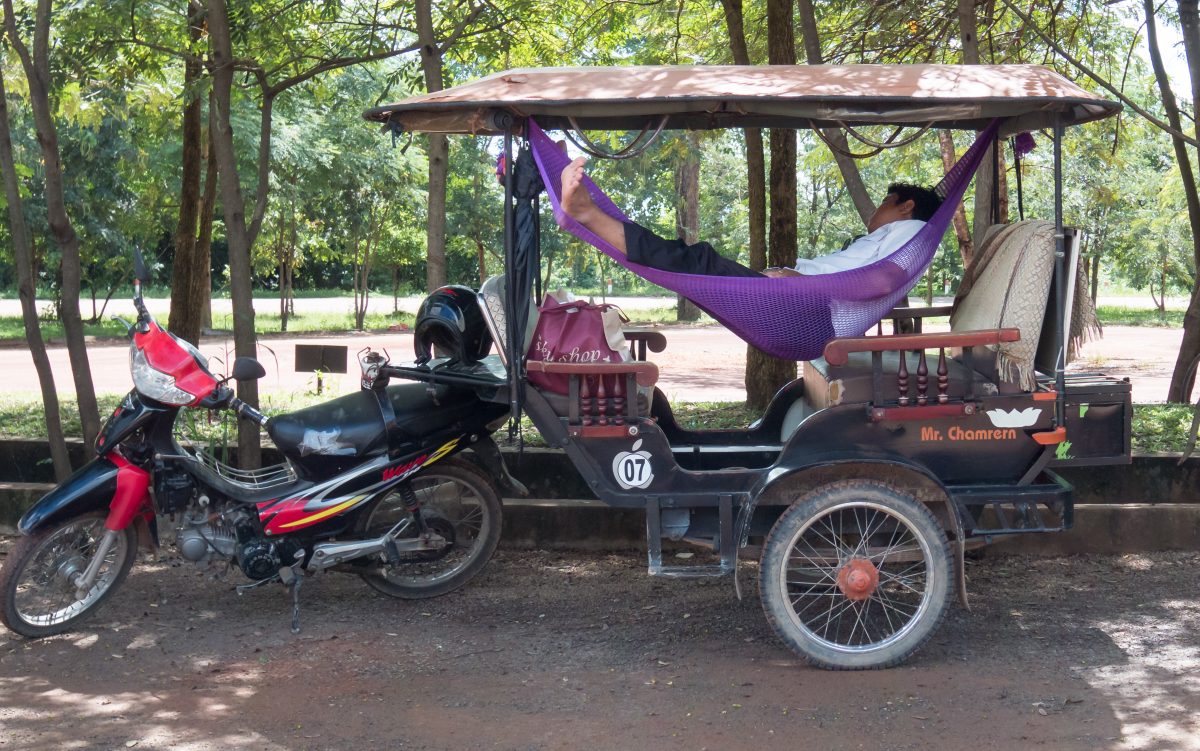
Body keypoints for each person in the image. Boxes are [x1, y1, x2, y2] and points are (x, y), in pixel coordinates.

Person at [559, 155, 942, 278]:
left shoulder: (912, 232)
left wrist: (797, 281)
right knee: (695, 262)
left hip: (798, 299)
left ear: (905, 206)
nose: (877, 210)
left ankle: (586, 214)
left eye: (885, 201)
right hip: (796, 293)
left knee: (698, 261)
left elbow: (879, 280)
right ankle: (583, 215)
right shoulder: (901, 235)